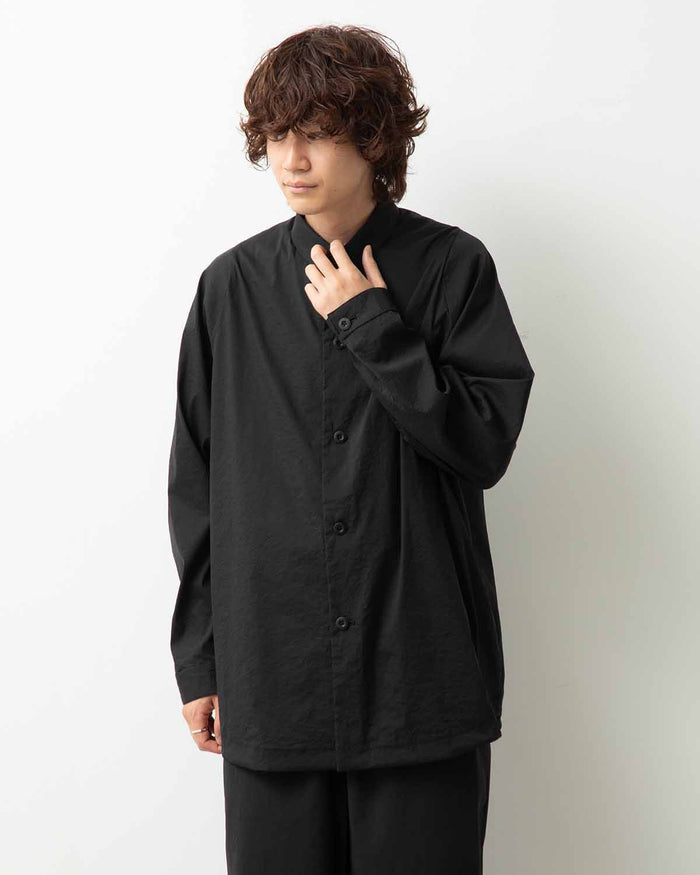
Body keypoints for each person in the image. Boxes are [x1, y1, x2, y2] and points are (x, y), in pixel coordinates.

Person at [167, 24, 535, 875]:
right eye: (276, 135)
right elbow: (196, 485)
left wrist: (370, 324)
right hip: (273, 679)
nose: (290, 159)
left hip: (419, 678)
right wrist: (200, 659)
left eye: (316, 133)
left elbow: (483, 444)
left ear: (373, 138)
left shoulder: (452, 269)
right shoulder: (231, 288)